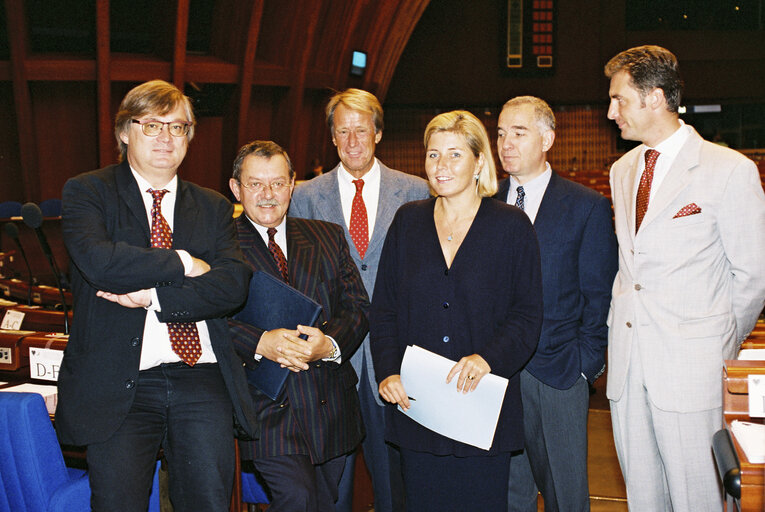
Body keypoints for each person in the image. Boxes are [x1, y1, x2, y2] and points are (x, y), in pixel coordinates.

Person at [57, 79, 257, 511]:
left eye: (178, 127)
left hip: (201, 377)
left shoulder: (213, 206)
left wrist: (154, 297)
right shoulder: (87, 191)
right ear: (124, 132)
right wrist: (185, 263)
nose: (166, 138)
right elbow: (100, 262)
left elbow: (233, 285)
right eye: (152, 125)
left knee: (208, 502)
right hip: (119, 383)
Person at [605, 45, 765, 511]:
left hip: (692, 367)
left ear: (655, 98)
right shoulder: (622, 170)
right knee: (644, 497)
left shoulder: (728, 169)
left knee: (701, 498)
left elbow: (752, 275)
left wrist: (713, 345)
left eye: (619, 99)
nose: (611, 112)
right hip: (629, 365)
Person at [370, 110, 543, 511]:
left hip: (481, 405)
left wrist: (489, 359)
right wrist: (388, 371)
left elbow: (527, 315)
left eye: (454, 155)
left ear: (480, 161)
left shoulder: (511, 225)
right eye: (433, 155)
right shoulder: (407, 221)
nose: (441, 166)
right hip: (418, 405)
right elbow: (385, 310)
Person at [289, 88, 429, 512]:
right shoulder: (304, 196)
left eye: (361, 130)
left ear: (378, 133)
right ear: (332, 137)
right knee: (335, 484)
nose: (352, 141)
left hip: (397, 356)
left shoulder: (418, 191)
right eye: (342, 131)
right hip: (333, 359)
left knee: (395, 480)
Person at [228, 140, 370, 511]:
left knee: (325, 501)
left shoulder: (327, 236)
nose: (268, 195)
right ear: (236, 188)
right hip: (265, 405)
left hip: (329, 404)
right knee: (298, 498)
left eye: (277, 183)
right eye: (255, 184)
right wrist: (260, 341)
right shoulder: (220, 246)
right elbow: (208, 321)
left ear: (293, 184)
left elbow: (358, 307)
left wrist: (330, 344)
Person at [495, 96, 618, 512]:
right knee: (508, 496)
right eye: (500, 133)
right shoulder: (483, 203)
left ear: (547, 138)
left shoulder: (586, 206)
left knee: (566, 496)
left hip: (559, 374)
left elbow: (598, 295)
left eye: (519, 132)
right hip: (495, 375)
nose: (506, 143)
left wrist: (584, 366)